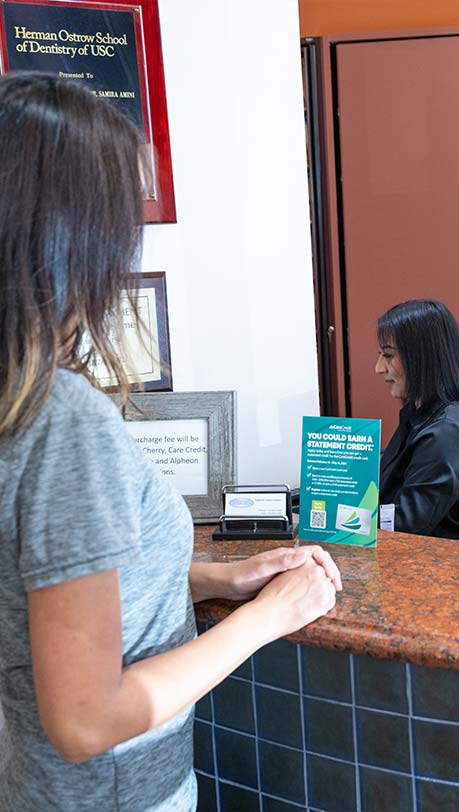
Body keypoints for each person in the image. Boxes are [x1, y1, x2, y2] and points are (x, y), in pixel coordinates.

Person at [0, 73, 342, 812]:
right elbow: (86, 720)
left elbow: (57, 600)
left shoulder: (17, 396)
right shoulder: (63, 420)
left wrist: (219, 580)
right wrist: (267, 618)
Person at [375, 299, 459, 541]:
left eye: (389, 355)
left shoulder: (446, 434)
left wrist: (339, 516)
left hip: (451, 555)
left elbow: (404, 525)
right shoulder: (421, 410)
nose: (379, 367)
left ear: (422, 358)